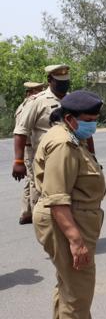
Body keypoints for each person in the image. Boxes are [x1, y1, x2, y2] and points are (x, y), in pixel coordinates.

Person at [32, 90, 106, 319]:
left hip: (73, 218)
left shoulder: (70, 135)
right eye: (88, 120)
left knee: (69, 288)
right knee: (78, 295)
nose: (92, 124)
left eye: (95, 119)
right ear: (70, 118)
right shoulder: (63, 143)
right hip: (66, 222)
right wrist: (76, 241)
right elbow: (57, 199)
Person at [13, 65, 81, 216]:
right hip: (46, 159)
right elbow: (21, 131)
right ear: (50, 80)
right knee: (45, 195)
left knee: (70, 195)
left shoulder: (72, 100)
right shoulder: (37, 102)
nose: (64, 85)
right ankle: (44, 225)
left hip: (71, 156)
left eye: (66, 82)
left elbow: (83, 130)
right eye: (60, 82)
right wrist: (18, 161)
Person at [14, 81, 45, 224]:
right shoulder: (27, 106)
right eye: (37, 90)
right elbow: (22, 132)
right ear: (29, 93)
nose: (40, 92)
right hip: (30, 148)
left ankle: (25, 213)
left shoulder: (25, 105)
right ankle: (36, 213)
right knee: (34, 181)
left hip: (31, 147)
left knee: (29, 179)